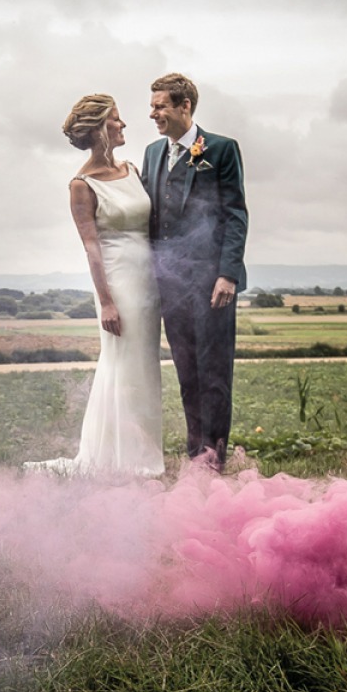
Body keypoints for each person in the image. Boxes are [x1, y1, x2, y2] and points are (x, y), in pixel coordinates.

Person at [24, 94, 164, 479]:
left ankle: (139, 454)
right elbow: (91, 248)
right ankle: (128, 461)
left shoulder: (133, 170)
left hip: (149, 281)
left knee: (143, 368)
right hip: (119, 284)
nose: (124, 126)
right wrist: (106, 302)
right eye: (117, 120)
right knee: (124, 366)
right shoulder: (81, 185)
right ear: (101, 128)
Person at [141, 73, 248, 471]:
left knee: (214, 372)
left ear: (185, 107)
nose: (152, 114)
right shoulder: (152, 153)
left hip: (210, 284)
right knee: (187, 373)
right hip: (170, 283)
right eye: (152, 106)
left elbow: (235, 214)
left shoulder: (220, 149)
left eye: (160, 106)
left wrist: (228, 274)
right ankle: (193, 458)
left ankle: (214, 461)